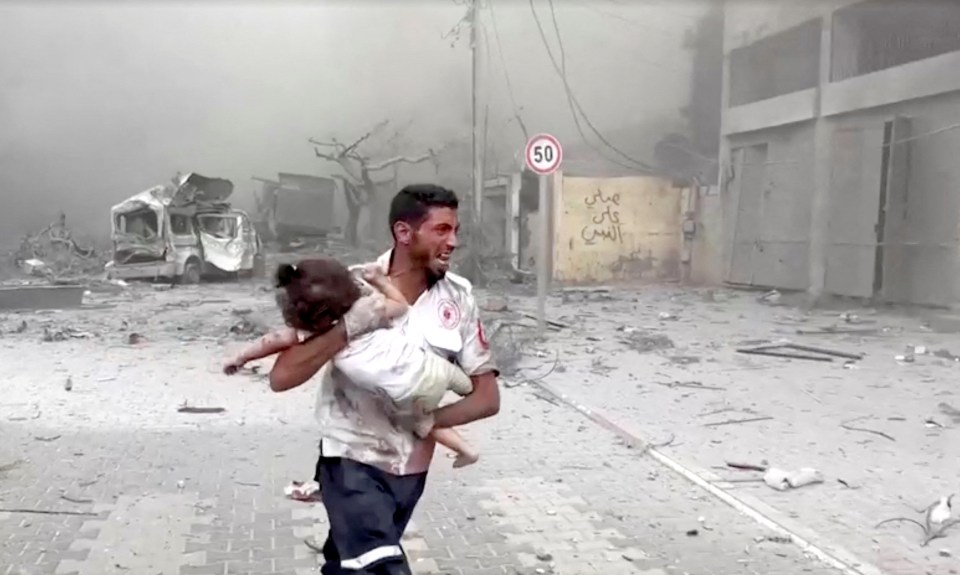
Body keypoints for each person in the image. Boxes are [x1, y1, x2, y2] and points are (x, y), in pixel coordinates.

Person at [269, 184, 500, 575]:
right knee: (380, 566)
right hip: (351, 460)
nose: (453, 241)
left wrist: (427, 421)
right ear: (403, 233)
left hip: (409, 472)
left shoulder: (459, 299)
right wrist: (350, 327)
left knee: (349, 565)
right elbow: (281, 376)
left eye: (455, 230)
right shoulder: (349, 288)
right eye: (441, 230)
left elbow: (487, 398)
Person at [223, 256, 481, 467]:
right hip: (431, 368)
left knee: (421, 422)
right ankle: (469, 387)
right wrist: (379, 281)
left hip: (406, 393)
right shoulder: (369, 310)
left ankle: (465, 449)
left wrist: (241, 357)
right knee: (455, 380)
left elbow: (273, 340)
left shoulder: (315, 331)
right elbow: (402, 306)